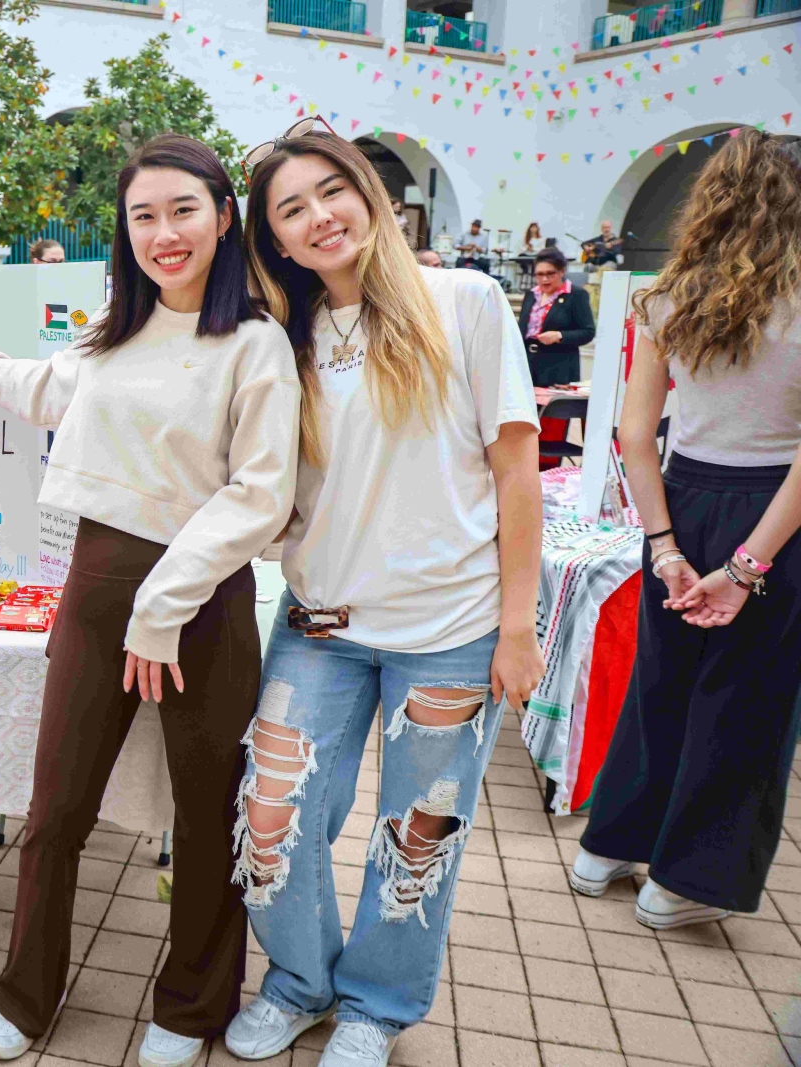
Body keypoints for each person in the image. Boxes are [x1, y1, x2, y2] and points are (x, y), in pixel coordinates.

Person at [0, 134, 300, 1067]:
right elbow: (44, 390)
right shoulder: (111, 331)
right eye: (144, 215)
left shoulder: (255, 344)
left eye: (184, 209)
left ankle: (190, 1004)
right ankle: (29, 988)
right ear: (125, 230)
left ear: (225, 217)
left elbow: (260, 495)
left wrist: (163, 604)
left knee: (206, 811)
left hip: (205, 598)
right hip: (97, 587)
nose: (164, 232)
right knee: (56, 808)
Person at [225, 119, 543, 1067]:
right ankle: (299, 981)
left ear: (369, 194)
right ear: (274, 239)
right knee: (271, 816)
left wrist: (517, 627)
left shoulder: (468, 301)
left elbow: (516, 470)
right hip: (318, 625)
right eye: (291, 208)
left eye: (333, 191)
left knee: (419, 838)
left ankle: (376, 1005)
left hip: (449, 631)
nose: (319, 216)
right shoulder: (280, 336)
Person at [570, 133, 801, 930]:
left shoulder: (668, 295)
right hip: (777, 514)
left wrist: (665, 545)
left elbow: (636, 435)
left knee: (660, 681)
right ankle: (682, 882)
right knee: (746, 701)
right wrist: (747, 569)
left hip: (680, 498)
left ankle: (606, 848)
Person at [518, 247, 594, 387]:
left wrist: (559, 336)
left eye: (550, 274)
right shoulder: (531, 295)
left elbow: (588, 332)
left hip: (558, 369)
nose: (544, 279)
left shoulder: (576, 295)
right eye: (539, 275)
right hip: (528, 366)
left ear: (562, 271)